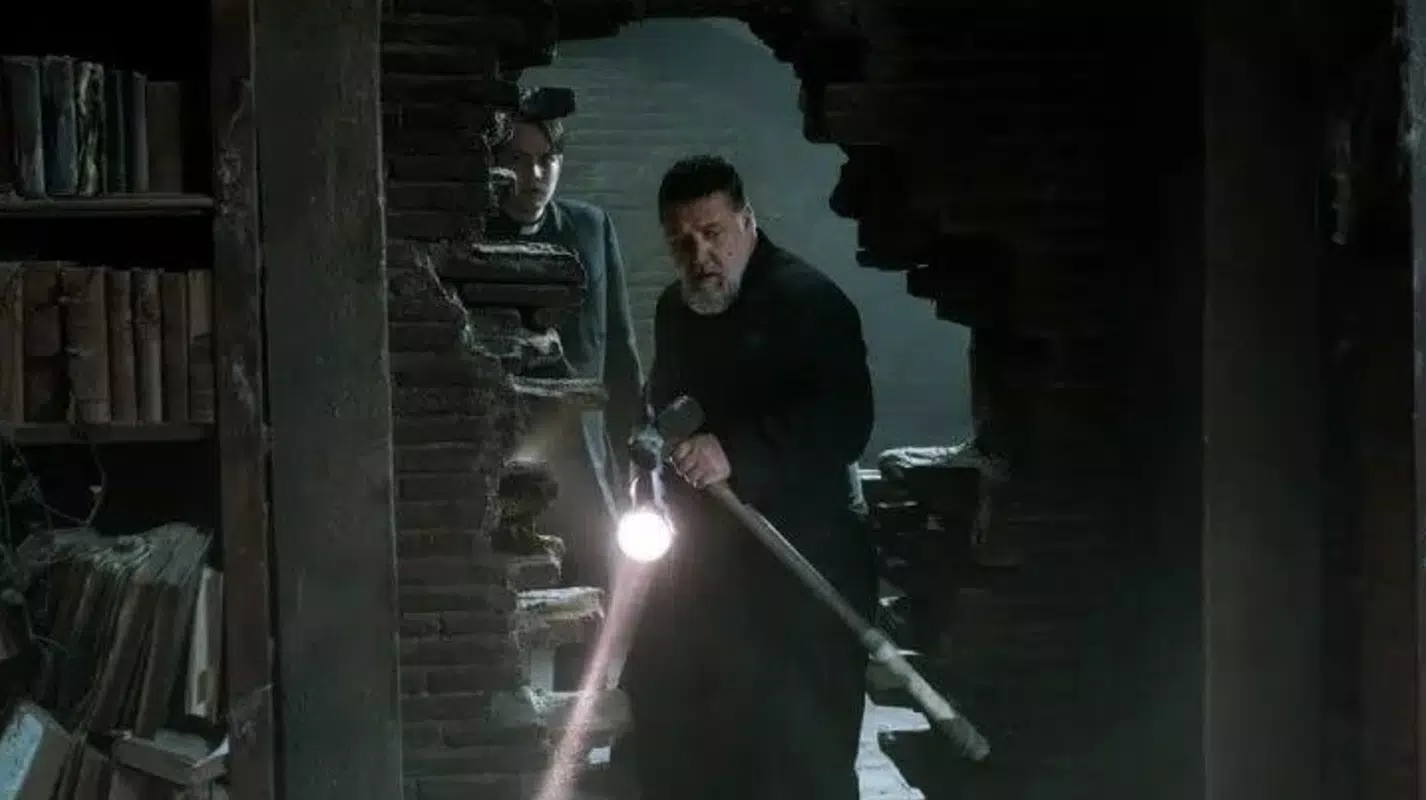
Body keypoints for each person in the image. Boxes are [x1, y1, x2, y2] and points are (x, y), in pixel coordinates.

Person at [618, 155, 877, 799]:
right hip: (710, 564)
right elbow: (671, 401)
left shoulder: (812, 303)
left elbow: (846, 422)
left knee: (797, 758)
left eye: (712, 233)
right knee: (678, 729)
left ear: (747, 221)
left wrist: (737, 452)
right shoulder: (676, 308)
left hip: (805, 562)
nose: (699, 255)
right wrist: (663, 436)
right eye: (681, 240)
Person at [490, 113, 643, 689]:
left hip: (585, 465)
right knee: (503, 613)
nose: (533, 176)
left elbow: (619, 349)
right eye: (517, 160)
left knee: (592, 608)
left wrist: (633, 456)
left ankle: (576, 729)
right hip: (506, 463)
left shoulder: (590, 226)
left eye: (545, 159)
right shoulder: (470, 234)